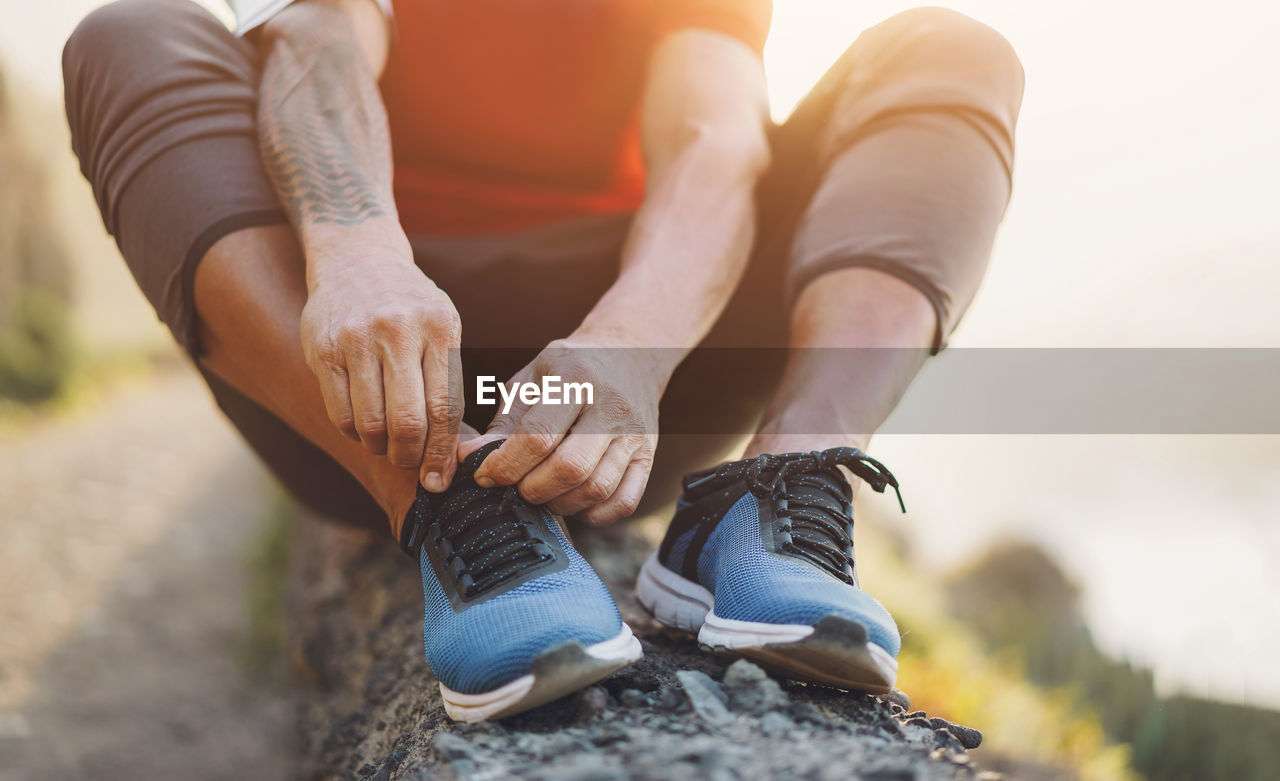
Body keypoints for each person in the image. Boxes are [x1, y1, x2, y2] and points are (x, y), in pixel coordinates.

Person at [62, 0, 1023, 722]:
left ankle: (776, 486)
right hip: (366, 366)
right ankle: (441, 498)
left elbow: (712, 140)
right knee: (128, 35)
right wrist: (358, 254)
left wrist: (627, 348)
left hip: (635, 383)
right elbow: (318, 44)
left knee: (951, 53)